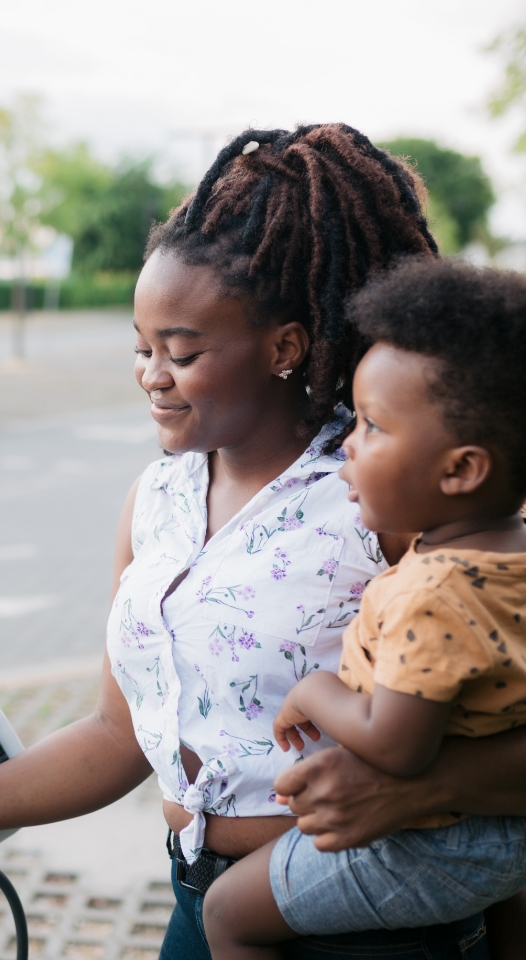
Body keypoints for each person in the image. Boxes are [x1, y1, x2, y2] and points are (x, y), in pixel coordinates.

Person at [0, 125, 526, 958]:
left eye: (182, 350)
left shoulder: (383, 488)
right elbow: (114, 737)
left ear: (285, 346)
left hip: (369, 921)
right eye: (140, 347)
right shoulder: (155, 500)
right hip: (202, 906)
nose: (151, 374)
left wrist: (426, 788)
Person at [201, 258, 526, 960]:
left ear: (462, 469)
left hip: (437, 840)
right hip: (505, 836)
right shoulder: (510, 557)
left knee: (227, 913)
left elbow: (398, 746)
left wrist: (315, 690)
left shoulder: (435, 589)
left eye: (373, 427)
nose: (348, 442)